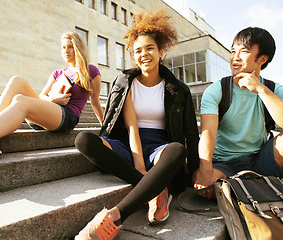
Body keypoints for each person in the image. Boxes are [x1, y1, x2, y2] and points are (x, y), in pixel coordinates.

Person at [74, 9, 199, 239]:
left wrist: (197, 172)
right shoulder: (125, 81)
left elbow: (191, 133)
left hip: (160, 147)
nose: (144, 54)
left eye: (150, 48)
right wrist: (140, 168)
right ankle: (154, 189)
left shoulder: (178, 88)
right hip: (128, 144)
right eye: (138, 50)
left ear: (161, 52)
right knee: (83, 140)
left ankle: (115, 216)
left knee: (177, 151)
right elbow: (130, 126)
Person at [0, 31, 103, 160]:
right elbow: (42, 96)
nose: (66, 50)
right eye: (64, 47)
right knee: (17, 80)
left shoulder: (91, 71)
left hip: (67, 117)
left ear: (78, 48)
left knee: (19, 100)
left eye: (70, 46)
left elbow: (95, 102)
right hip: (44, 114)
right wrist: (52, 99)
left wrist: (106, 128)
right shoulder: (58, 73)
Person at [194, 27, 283, 199]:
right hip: (224, 163)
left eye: (243, 51)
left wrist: (261, 89)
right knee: (206, 189)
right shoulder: (217, 90)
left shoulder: (273, 90)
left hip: (260, 158)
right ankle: (252, 186)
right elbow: (207, 134)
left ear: (262, 59)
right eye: (233, 51)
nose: (234, 57)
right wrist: (205, 171)